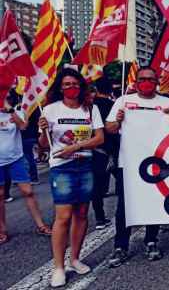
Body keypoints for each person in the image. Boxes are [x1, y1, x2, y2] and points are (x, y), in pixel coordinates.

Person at [38, 68, 104, 287]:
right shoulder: (50, 109)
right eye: (66, 84)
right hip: (61, 167)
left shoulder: (90, 108)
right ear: (60, 87)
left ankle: (75, 259)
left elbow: (99, 139)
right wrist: (42, 131)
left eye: (74, 84)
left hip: (85, 165)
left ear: (81, 86)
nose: (71, 88)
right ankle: (58, 267)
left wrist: (76, 146)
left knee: (82, 213)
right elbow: (44, 145)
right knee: (63, 216)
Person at [105, 67, 169, 268]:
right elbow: (109, 128)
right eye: (142, 79)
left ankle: (151, 241)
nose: (146, 82)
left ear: (157, 82)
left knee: (153, 203)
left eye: (151, 79)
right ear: (135, 82)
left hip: (157, 163)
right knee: (124, 208)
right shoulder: (123, 101)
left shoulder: (166, 103)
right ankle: (120, 246)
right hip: (128, 164)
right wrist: (117, 121)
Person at [0, 89, 52, 246]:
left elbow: (23, 126)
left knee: (28, 191)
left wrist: (9, 110)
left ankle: (41, 225)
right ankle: (2, 230)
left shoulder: (15, 112)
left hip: (16, 158)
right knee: (0, 194)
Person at [90, 77, 116, 230]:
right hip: (113, 151)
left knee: (97, 188)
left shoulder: (90, 107)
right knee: (122, 183)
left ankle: (100, 218)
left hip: (96, 150)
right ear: (111, 89)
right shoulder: (114, 106)